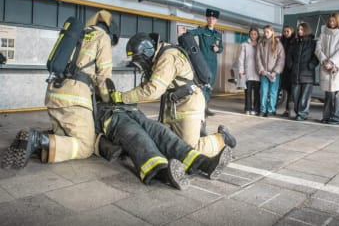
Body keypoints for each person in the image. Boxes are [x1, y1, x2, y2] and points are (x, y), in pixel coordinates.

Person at [2, 10, 119, 169]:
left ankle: (31, 142)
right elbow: (103, 77)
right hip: (74, 98)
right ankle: (37, 139)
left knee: (63, 138)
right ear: (111, 33)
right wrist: (108, 99)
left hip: (54, 93)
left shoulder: (78, 34)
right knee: (85, 146)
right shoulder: (102, 37)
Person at [110, 33, 236, 157]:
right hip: (174, 108)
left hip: (189, 105)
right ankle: (199, 133)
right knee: (167, 144)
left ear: (147, 52)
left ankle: (223, 139)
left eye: (140, 60)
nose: (141, 65)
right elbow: (146, 86)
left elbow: (153, 90)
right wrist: (124, 95)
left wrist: (122, 97)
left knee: (191, 150)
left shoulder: (167, 57)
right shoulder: (157, 59)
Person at [94, 101, 232, 190]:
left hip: (129, 110)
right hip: (109, 117)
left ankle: (205, 164)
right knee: (138, 136)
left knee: (161, 131)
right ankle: (162, 172)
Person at [186, 8, 223, 116]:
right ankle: (201, 108)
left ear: (216, 20)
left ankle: (206, 107)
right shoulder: (202, 30)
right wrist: (185, 31)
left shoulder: (218, 34)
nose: (211, 20)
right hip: (203, 62)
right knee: (202, 84)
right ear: (207, 19)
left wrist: (218, 49)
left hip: (213, 63)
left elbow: (221, 48)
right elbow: (192, 32)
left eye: (214, 18)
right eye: (210, 18)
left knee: (210, 85)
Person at [315, 12, 339, 125]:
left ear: (338, 21)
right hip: (326, 66)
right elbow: (318, 49)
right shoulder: (323, 33)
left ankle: (338, 118)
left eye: (333, 20)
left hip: (338, 68)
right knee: (329, 94)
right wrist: (325, 61)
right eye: (330, 20)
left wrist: (332, 61)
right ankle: (327, 116)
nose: (331, 22)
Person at [287, 23, 319, 121]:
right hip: (295, 73)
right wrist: (291, 66)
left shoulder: (313, 43)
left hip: (307, 74)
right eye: (298, 29)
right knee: (295, 96)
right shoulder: (295, 43)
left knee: (305, 97)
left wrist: (311, 65)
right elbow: (289, 56)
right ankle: (298, 113)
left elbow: (316, 56)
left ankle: (303, 114)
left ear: (306, 30)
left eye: (301, 29)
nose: (299, 31)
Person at [256, 25, 285, 117]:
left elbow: (281, 59)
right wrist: (261, 69)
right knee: (263, 91)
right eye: (264, 32)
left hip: (274, 74)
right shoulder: (261, 43)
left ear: (272, 32)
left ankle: (271, 110)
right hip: (264, 73)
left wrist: (275, 71)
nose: (266, 34)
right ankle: (263, 110)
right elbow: (258, 58)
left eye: (267, 32)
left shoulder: (277, 44)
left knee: (273, 91)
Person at [238, 27, 260, 115]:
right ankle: (248, 108)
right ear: (249, 35)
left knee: (257, 92)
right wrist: (241, 70)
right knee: (248, 92)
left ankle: (255, 109)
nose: (253, 35)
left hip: (258, 72)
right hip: (248, 72)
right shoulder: (244, 45)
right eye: (251, 34)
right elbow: (241, 59)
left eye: (255, 34)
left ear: (258, 35)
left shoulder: (260, 45)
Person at [279, 25, 295, 117]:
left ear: (292, 31)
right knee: (286, 91)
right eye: (284, 31)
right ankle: (287, 110)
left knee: (292, 91)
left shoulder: (295, 41)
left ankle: (291, 110)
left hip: (291, 69)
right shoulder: (282, 41)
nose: (285, 33)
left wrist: (291, 65)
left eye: (287, 31)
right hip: (284, 69)